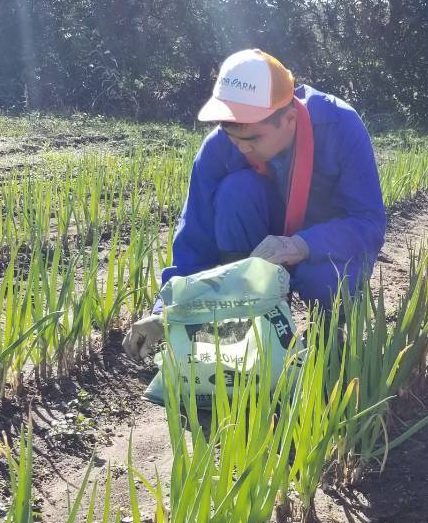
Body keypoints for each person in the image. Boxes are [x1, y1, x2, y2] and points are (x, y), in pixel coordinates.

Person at [123, 49, 386, 360]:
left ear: (289, 118)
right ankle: (249, 319)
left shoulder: (341, 126)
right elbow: (195, 239)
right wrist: (168, 312)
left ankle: (331, 332)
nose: (242, 148)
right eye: (234, 137)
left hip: (323, 246)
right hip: (261, 240)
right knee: (237, 190)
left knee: (327, 280)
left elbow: (368, 221)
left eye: (254, 139)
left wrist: (302, 245)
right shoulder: (217, 149)